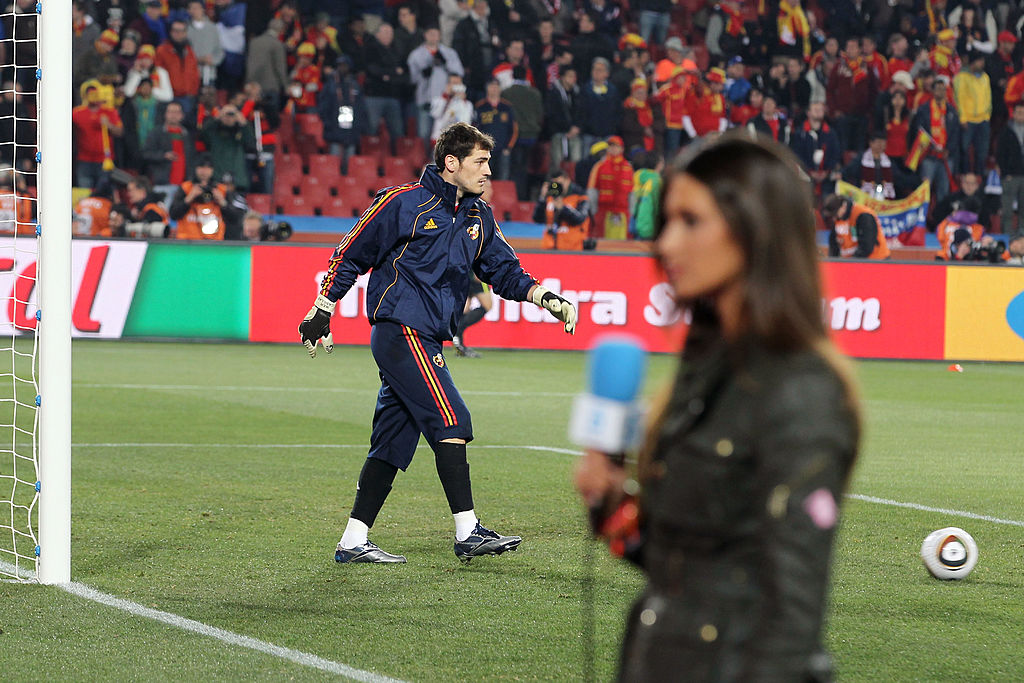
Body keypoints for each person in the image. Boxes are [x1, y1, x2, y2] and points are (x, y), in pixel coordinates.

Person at [574, 133, 860, 681]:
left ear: (755, 230)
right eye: (667, 221)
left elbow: (792, 615)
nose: (666, 243)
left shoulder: (803, 391)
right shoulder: (704, 368)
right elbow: (688, 565)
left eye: (691, 221)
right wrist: (613, 507)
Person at [297, 122, 578, 564]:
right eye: (480, 162)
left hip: (427, 335)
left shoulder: (478, 216)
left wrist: (544, 297)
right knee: (451, 418)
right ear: (451, 163)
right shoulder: (401, 202)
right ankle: (468, 531)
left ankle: (353, 540)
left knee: (392, 440)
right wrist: (323, 306)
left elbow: (504, 270)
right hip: (400, 330)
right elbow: (350, 253)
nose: (488, 171)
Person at [822, 194, 891, 259]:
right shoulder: (838, 218)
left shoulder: (863, 216)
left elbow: (867, 246)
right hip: (852, 262)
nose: (834, 218)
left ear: (843, 206)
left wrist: (852, 263)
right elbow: (833, 245)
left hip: (876, 261)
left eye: (835, 214)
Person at [534, 179, 590, 250]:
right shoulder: (548, 200)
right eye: (554, 184)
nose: (557, 187)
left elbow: (579, 219)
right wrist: (542, 197)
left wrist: (563, 208)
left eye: (559, 184)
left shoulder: (579, 198)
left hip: (571, 248)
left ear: (567, 181)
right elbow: (537, 219)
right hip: (549, 248)